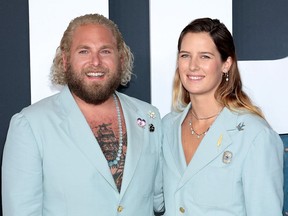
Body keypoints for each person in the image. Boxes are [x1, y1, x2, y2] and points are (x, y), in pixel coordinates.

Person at [2, 13, 164, 216]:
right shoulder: (30, 125)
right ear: (65, 60)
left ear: (121, 59)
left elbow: (162, 199)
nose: (95, 62)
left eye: (105, 51)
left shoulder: (149, 117)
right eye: (84, 51)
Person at [162, 17, 283, 215]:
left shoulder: (255, 135)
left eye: (205, 57)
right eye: (185, 55)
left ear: (226, 64)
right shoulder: (167, 127)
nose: (192, 66)